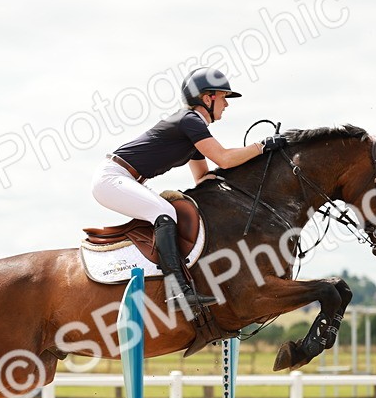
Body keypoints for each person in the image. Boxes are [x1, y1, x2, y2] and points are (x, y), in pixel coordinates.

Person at [91, 68, 288, 315]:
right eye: (223, 96)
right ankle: (177, 290)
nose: (226, 104)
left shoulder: (192, 128)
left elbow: (203, 177)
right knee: (165, 212)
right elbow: (225, 158)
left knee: (167, 211)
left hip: (125, 178)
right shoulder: (190, 120)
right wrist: (261, 146)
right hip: (112, 178)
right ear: (207, 98)